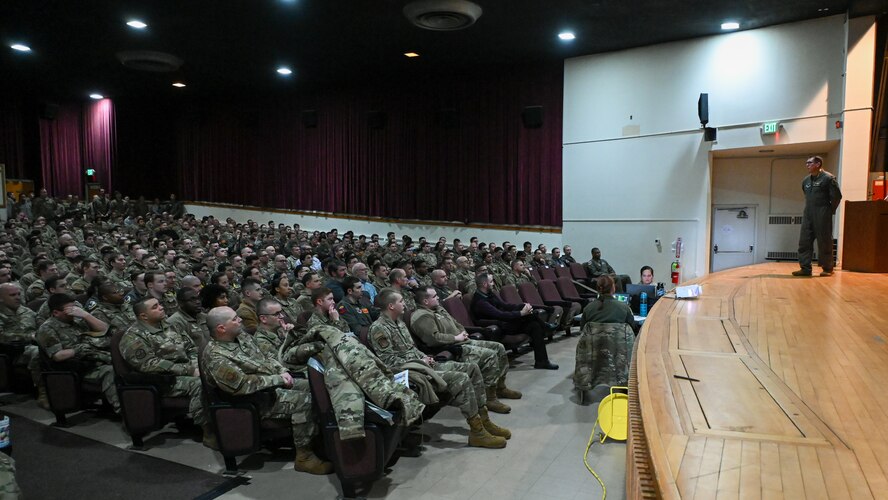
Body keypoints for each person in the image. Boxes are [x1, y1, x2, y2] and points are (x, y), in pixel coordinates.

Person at [369, 289, 510, 448]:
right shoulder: (378, 328)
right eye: (401, 301)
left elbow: (410, 348)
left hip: (422, 364)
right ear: (391, 306)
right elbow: (388, 361)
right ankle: (477, 432)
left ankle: (484, 421)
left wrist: (424, 357)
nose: (405, 304)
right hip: (411, 372)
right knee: (461, 378)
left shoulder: (400, 323)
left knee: (472, 368)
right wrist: (419, 359)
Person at [202, 306, 333, 475]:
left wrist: (281, 371)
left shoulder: (241, 337)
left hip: (269, 387)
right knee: (306, 402)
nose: (240, 319)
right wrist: (277, 379)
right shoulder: (215, 356)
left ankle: (323, 441)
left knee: (317, 388)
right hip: (252, 401)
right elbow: (243, 385)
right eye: (234, 319)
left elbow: (265, 358)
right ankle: (304, 456)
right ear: (221, 328)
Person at [411, 286, 521, 414]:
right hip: (450, 348)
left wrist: (462, 332)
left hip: (461, 341)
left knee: (499, 347)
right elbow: (433, 338)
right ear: (425, 301)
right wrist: (456, 337)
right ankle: (489, 398)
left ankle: (500, 387)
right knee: (490, 355)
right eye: (435, 296)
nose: (438, 297)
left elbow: (456, 323)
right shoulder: (422, 316)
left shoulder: (438, 308)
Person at [119, 297, 206, 433]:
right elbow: (148, 364)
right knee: (201, 384)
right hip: (162, 380)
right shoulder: (133, 337)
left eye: (159, 304)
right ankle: (206, 427)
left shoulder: (170, 325)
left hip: (186, 371)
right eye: (155, 307)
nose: (161, 307)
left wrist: (197, 366)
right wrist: (189, 370)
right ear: (143, 316)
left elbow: (191, 349)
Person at [35, 293, 119, 412]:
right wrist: (79, 349)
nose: (73, 312)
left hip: (95, 359)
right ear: (56, 313)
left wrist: (85, 315)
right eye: (69, 310)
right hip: (77, 367)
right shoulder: (47, 328)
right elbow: (57, 356)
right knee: (111, 371)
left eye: (74, 308)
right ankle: (124, 411)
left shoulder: (78, 320)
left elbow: (105, 329)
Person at [470, 273, 558, 370]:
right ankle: (545, 326)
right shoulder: (480, 302)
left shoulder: (490, 293)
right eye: (491, 282)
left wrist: (521, 306)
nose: (493, 284)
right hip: (497, 327)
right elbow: (500, 315)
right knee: (530, 317)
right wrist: (521, 313)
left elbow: (505, 306)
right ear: (484, 284)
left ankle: (542, 362)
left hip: (505, 322)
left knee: (535, 326)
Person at [575, 275, 638, 399]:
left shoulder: (589, 308)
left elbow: (583, 329)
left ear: (598, 289)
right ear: (613, 288)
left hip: (593, 352)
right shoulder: (623, 308)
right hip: (619, 353)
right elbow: (632, 328)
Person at [793, 156, 842, 277]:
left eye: (809, 163)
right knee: (804, 241)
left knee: (824, 241)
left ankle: (827, 268)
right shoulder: (806, 181)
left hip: (823, 213)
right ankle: (805, 268)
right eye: (806, 163)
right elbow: (806, 195)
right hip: (808, 213)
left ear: (818, 164)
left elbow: (836, 196)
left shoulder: (828, 178)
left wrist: (829, 210)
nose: (807, 165)